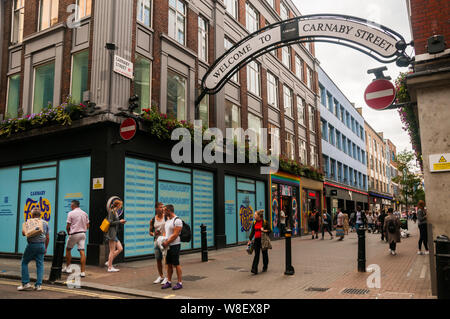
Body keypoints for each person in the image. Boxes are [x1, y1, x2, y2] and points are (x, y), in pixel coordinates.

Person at [18, 208, 50, 291]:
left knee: (24, 262)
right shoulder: (45, 223)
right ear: (40, 214)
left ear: (32, 215)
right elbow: (47, 237)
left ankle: (25, 283)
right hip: (42, 246)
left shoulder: (29, 222)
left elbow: (23, 233)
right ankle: (38, 285)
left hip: (32, 245)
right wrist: (45, 248)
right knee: (40, 265)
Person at [62, 200, 90, 277]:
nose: (70, 206)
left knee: (68, 249)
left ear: (74, 205)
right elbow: (88, 226)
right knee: (82, 251)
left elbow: (68, 226)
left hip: (74, 234)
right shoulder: (85, 213)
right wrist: (83, 230)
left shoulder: (71, 213)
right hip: (83, 234)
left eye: (71, 205)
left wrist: (68, 232)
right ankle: (83, 272)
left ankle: (68, 268)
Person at [161, 205, 183, 290]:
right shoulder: (168, 221)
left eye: (164, 211)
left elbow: (175, 234)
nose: (163, 212)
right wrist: (163, 240)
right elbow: (166, 233)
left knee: (176, 264)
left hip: (175, 245)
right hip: (168, 246)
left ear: (169, 211)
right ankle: (169, 282)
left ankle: (179, 283)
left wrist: (167, 242)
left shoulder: (177, 220)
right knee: (168, 264)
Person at [105, 198, 127, 272]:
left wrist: (120, 222)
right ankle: (110, 267)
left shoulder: (115, 212)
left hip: (114, 233)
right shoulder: (112, 212)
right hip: (111, 233)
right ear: (118, 205)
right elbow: (110, 222)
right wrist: (119, 221)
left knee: (120, 248)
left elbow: (115, 222)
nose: (121, 207)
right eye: (121, 205)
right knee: (112, 250)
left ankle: (109, 262)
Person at [149, 202, 168, 285]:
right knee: (158, 260)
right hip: (157, 241)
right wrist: (154, 234)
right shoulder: (153, 220)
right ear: (156, 208)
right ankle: (161, 276)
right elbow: (150, 232)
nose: (162, 208)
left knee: (166, 260)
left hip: (165, 241)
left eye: (163, 207)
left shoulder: (167, 218)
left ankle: (167, 277)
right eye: (160, 207)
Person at [248, 210, 271, 274]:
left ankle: (265, 267)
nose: (254, 216)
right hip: (257, 240)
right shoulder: (254, 223)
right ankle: (254, 269)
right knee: (256, 254)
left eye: (255, 215)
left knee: (264, 254)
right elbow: (252, 232)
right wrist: (249, 240)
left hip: (263, 240)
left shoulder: (265, 222)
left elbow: (270, 230)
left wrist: (264, 230)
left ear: (259, 216)